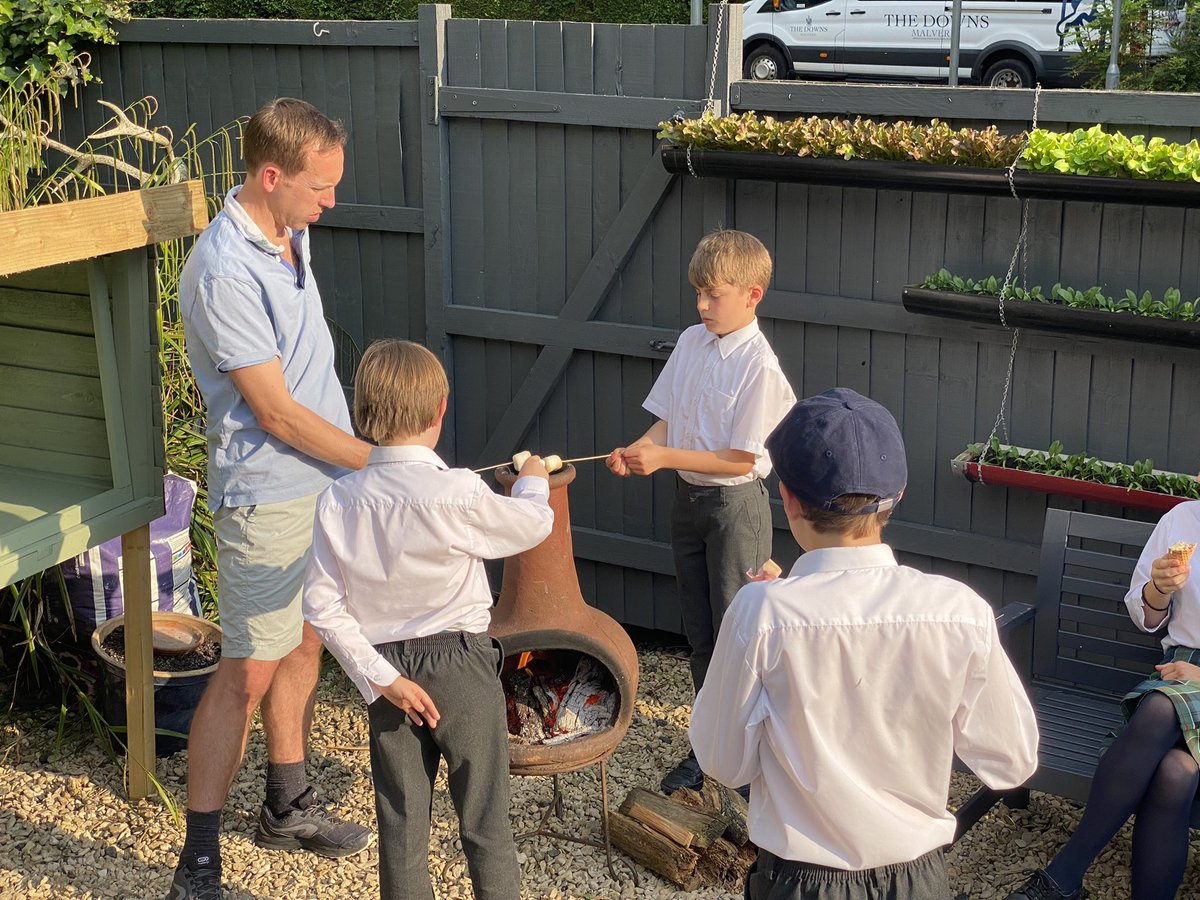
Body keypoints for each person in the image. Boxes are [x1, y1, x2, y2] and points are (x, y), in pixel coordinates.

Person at [690, 387, 1040, 900]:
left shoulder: (761, 613)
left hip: (798, 881)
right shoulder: (959, 611)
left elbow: (723, 763)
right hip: (918, 880)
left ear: (787, 497)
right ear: (898, 496)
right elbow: (1011, 762)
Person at [169, 98, 374, 900]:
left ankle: (286, 804)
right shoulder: (223, 272)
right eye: (320, 188)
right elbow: (277, 412)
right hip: (267, 493)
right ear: (270, 176)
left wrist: (355, 466)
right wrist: (385, 460)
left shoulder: (290, 231)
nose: (331, 203)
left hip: (322, 481)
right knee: (246, 672)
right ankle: (197, 861)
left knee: (305, 644)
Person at [303, 339, 553, 900]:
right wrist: (533, 479)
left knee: (401, 826)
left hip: (390, 675)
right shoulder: (458, 490)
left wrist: (380, 677)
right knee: (485, 822)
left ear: (362, 414)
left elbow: (321, 604)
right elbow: (532, 525)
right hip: (461, 666)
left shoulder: (338, 501)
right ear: (441, 410)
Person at [606, 229, 795, 794]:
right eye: (698, 293)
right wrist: (643, 447)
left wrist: (662, 457)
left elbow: (740, 457)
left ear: (753, 294)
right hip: (688, 504)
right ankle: (710, 749)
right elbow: (667, 415)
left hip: (735, 511)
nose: (702, 305)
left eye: (714, 294)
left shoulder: (760, 367)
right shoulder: (692, 341)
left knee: (742, 636)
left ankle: (752, 756)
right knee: (701, 636)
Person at [1007, 506, 1200, 900]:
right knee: (1175, 772)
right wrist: (1159, 589)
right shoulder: (1182, 520)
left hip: (1185, 680)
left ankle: (1064, 876)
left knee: (1161, 708)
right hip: (1181, 668)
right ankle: (1066, 878)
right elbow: (1146, 615)